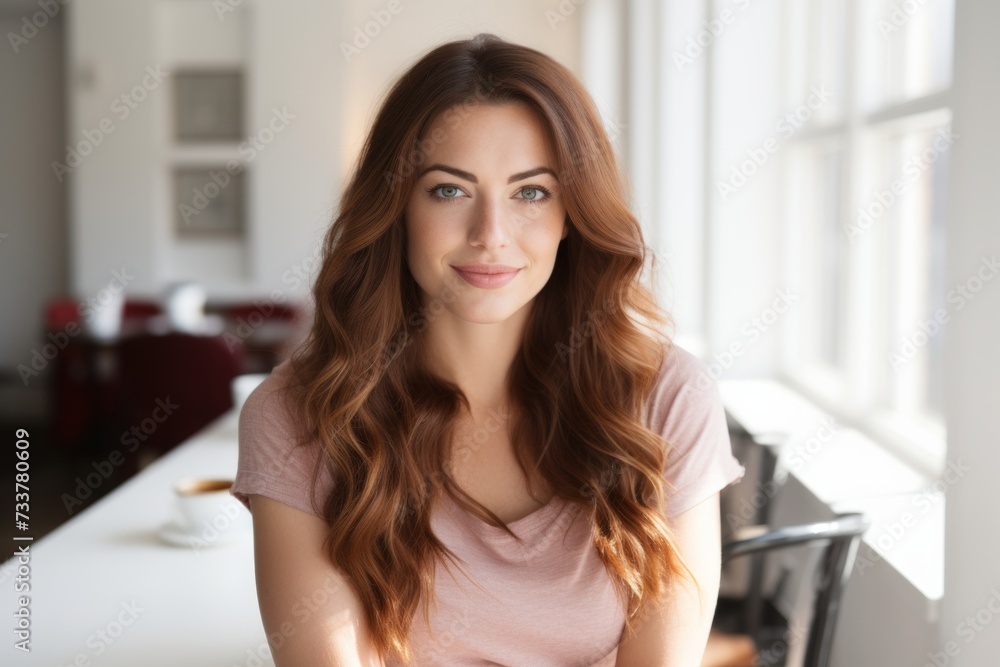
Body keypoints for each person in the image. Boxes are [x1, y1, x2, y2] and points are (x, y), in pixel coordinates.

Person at [230, 33, 745, 667]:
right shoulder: (294, 416)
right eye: (449, 190)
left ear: (572, 214)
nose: (491, 236)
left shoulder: (668, 400)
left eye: (531, 192)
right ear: (395, 207)